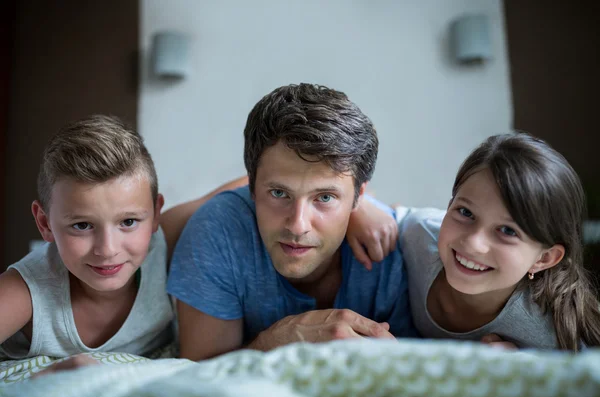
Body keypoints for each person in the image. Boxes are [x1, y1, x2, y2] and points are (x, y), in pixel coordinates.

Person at [167, 83, 416, 361]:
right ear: (252, 188)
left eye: (324, 197)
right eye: (279, 193)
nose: (298, 226)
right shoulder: (217, 231)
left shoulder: (388, 244)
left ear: (358, 197)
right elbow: (199, 377)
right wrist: (276, 340)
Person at [0, 115, 237, 360]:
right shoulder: (25, 291)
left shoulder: (162, 240)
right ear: (44, 223)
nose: (108, 249)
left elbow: (248, 185)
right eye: (82, 225)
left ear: (155, 213)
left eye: (128, 222)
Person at [395, 133, 600, 350]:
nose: (474, 243)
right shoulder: (422, 234)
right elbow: (383, 213)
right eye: (465, 212)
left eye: (507, 231)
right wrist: (365, 213)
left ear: (544, 258)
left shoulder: (549, 335)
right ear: (449, 207)